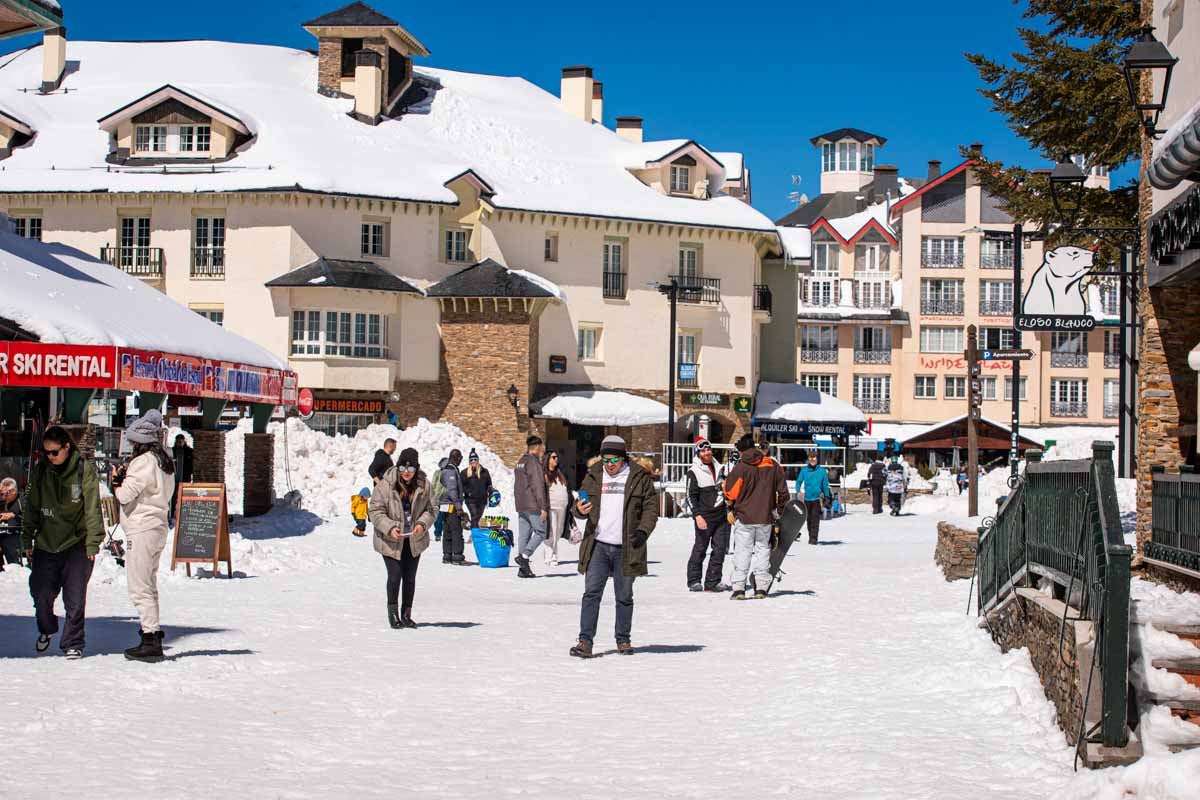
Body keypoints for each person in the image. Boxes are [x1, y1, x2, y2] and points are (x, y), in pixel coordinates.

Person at [569, 435, 658, 657]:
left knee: (624, 595)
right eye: (605, 459)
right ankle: (585, 641)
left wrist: (642, 532)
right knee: (591, 593)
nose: (609, 465)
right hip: (597, 545)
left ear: (623, 457)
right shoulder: (593, 475)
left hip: (627, 546)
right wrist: (579, 510)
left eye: (613, 460)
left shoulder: (638, 477)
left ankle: (623, 639)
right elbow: (578, 506)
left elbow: (651, 509)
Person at [22, 426, 103, 659]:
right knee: (41, 593)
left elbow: (92, 509)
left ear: (67, 447)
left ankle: (73, 642)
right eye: (46, 453)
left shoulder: (82, 470)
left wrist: (93, 543)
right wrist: (27, 537)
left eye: (54, 452)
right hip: (46, 543)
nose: (50, 457)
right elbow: (31, 507)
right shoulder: (41, 471)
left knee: (75, 599)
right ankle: (47, 628)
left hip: (76, 543)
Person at [113, 411, 177, 663]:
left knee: (139, 587)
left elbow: (124, 496)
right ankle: (152, 635)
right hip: (158, 526)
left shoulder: (142, 462)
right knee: (149, 585)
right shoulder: (165, 461)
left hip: (141, 528)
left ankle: (150, 640)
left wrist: (117, 481)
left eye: (132, 442)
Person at [368, 447, 434, 629]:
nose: (406, 473)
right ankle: (393, 614)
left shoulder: (424, 485)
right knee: (395, 575)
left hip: (413, 539)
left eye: (411, 469)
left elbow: (431, 509)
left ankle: (407, 614)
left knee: (410, 577)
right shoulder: (385, 485)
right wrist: (389, 527)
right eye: (403, 469)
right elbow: (374, 510)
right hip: (389, 540)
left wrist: (422, 523)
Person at [723, 434, 788, 600]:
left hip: (744, 517)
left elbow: (730, 492)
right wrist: (778, 511)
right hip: (765, 516)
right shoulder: (772, 465)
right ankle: (761, 588)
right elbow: (783, 492)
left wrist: (731, 506)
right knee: (763, 551)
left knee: (742, 552)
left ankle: (739, 589)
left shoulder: (741, 467)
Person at [685, 438, 731, 593]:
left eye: (708, 449)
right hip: (704, 516)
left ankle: (713, 582)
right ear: (698, 453)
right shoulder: (693, 472)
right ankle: (693, 581)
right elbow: (690, 496)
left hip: (721, 515)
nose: (707, 453)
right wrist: (697, 516)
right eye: (703, 450)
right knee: (700, 548)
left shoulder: (719, 467)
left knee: (720, 549)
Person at [513, 435, 548, 579]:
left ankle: (523, 569)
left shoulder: (521, 461)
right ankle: (525, 555)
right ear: (538, 446)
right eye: (542, 446)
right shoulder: (534, 463)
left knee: (524, 535)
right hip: (533, 504)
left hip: (521, 504)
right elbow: (538, 486)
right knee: (541, 532)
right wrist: (543, 507)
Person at [796, 451, 832, 545]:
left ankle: (813, 539)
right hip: (807, 499)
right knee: (809, 520)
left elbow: (825, 485)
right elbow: (798, 481)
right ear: (808, 459)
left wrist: (827, 496)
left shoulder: (822, 471)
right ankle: (810, 536)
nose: (812, 460)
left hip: (817, 499)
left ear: (817, 459)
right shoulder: (804, 470)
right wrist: (798, 491)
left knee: (815, 519)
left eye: (814, 458)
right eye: (811, 458)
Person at [437, 449, 467, 565]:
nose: (460, 461)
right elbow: (452, 490)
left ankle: (447, 555)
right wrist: (459, 507)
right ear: (456, 458)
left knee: (448, 529)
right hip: (452, 504)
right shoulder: (450, 470)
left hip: (445, 504)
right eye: (460, 458)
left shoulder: (446, 468)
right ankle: (457, 556)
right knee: (456, 530)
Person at [543, 450, 569, 567]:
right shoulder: (544, 474)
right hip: (551, 507)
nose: (556, 459)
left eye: (557, 457)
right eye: (553, 457)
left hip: (562, 506)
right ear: (547, 459)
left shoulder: (560, 473)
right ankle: (551, 555)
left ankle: (550, 551)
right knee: (552, 531)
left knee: (558, 531)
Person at [460, 449, 493, 529]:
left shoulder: (484, 471)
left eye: (475, 459)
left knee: (477, 518)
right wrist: (468, 492)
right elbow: (461, 486)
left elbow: (489, 484)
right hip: (471, 500)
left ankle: (469, 525)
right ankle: (475, 535)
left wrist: (491, 492)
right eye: (471, 460)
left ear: (478, 460)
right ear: (469, 461)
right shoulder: (465, 472)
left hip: (482, 500)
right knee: (474, 516)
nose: (473, 461)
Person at [169, 434, 193, 526]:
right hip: (174, 479)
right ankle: (172, 514)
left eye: (181, 441)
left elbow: (192, 464)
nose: (179, 443)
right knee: (173, 497)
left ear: (184, 441)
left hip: (185, 478)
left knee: (185, 498)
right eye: (178, 441)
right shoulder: (172, 451)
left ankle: (184, 515)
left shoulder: (189, 452)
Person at [1, 477, 23, 570]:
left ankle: (15, 568)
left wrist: (14, 516)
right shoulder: (3, 501)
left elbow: (31, 521)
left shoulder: (23, 501)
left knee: (8, 542)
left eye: (5, 494)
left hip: (17, 534)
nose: (3, 497)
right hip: (4, 532)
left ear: (13, 491)